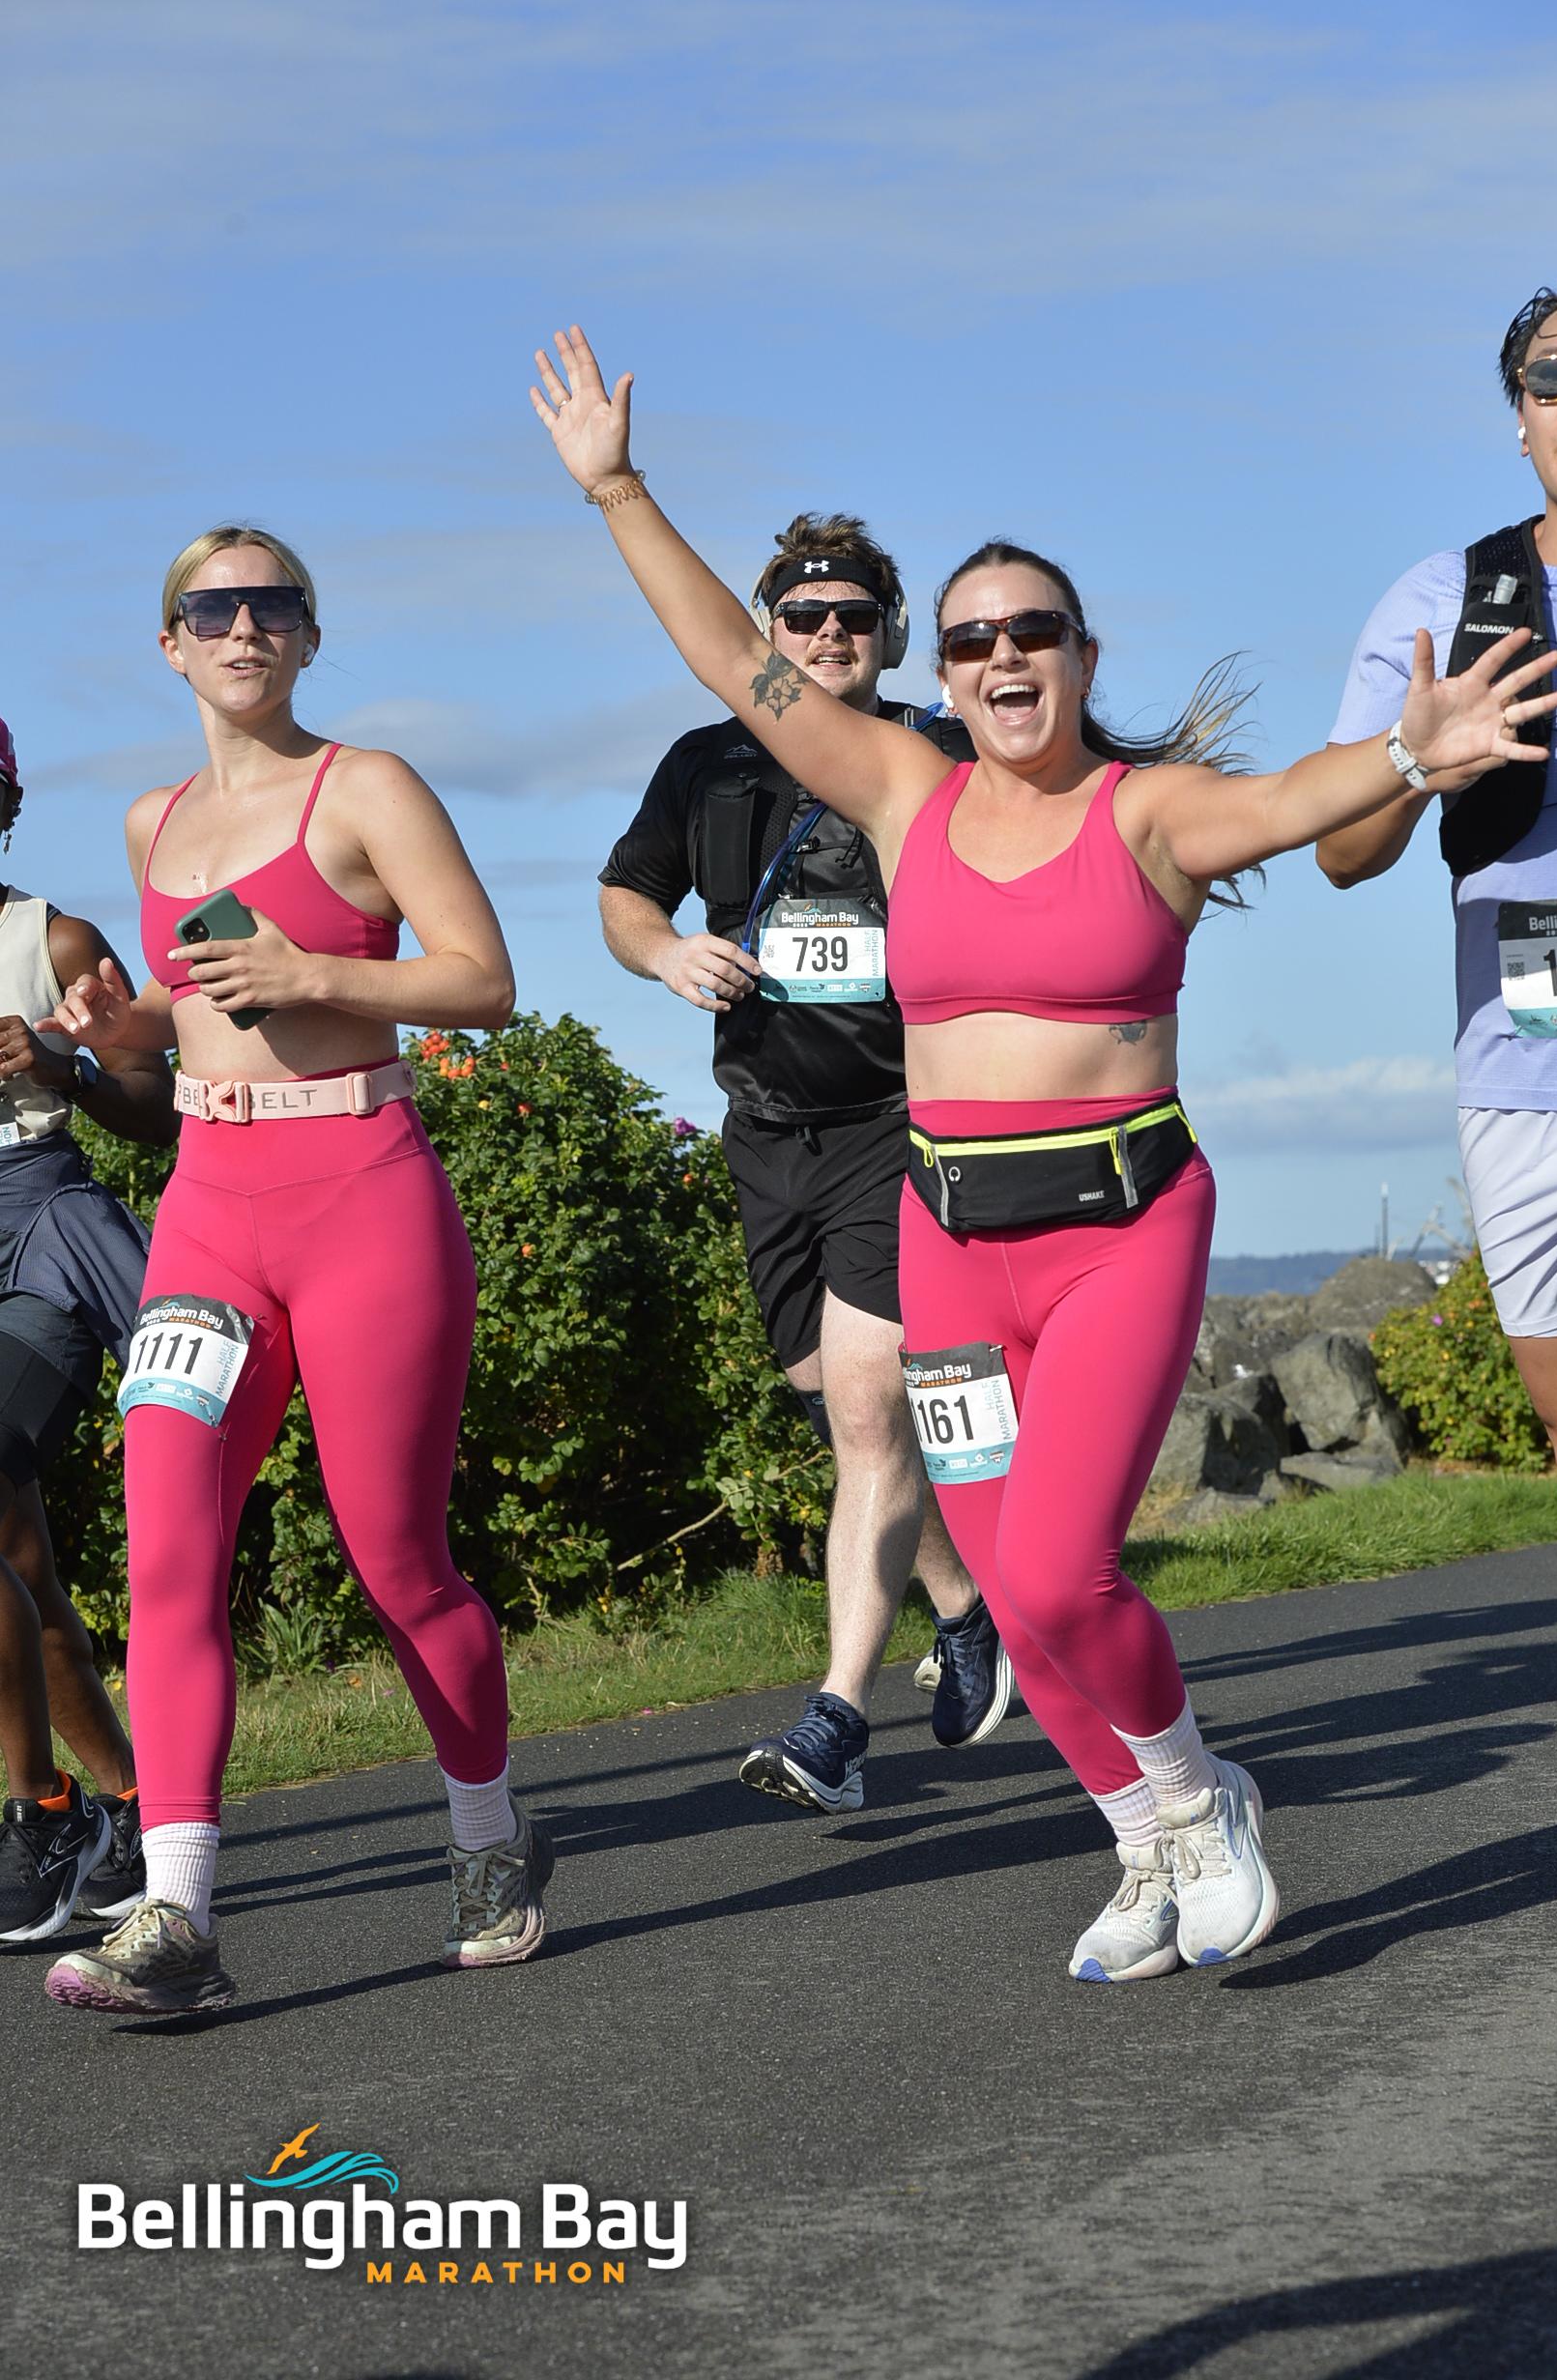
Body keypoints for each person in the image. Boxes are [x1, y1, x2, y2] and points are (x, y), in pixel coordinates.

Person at [533, 324, 1557, 1974]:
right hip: (950, 1242)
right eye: (972, 639)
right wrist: (618, 492)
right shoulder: (900, 792)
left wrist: (1401, 754)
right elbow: (738, 661)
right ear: (941, 675)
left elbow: (1296, 802)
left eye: (1033, 631)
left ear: (1082, 655)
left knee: (1071, 1570)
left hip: (1119, 1226)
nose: (1002, 656)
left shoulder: (1149, 811)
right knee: (1011, 1593)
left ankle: (1196, 1799)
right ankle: (1141, 1847)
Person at [39, 526, 553, 2016]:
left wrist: (315, 969)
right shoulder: (152, 822)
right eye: (213, 608)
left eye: (273, 605)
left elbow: (485, 981)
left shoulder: (368, 786)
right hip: (209, 1206)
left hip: (364, 1192)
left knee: (396, 1559)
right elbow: (193, 1014)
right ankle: (179, 1916)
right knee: (166, 1544)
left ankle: (490, 1837)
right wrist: (119, 1026)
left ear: (310, 636)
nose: (244, 627)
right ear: (172, 644)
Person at [598, 510, 1011, 1814]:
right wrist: (666, 952)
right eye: (802, 616)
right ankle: (965, 1603)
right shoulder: (705, 760)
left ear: (890, 634)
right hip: (768, 1127)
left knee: (869, 1409)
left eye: (854, 617)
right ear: (766, 630)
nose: (829, 635)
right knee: (833, 1399)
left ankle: (835, 1722)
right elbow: (624, 896)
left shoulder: (938, 756)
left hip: (904, 1119)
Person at [1315, 263, 1557, 1968]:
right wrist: (1423, 759)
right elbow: (1342, 853)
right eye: (1555, 373)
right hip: (1530, 1070)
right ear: (1518, 411)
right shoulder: (1450, 596)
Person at [0, 713, 176, 1944]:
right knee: (17, 1556)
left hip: (42, 1242)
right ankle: (127, 1802)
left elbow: (158, 1110)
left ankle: (42, 1813)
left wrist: (61, 1070)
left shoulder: (52, 940)